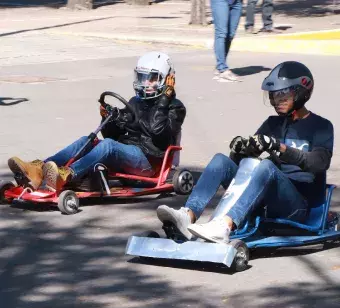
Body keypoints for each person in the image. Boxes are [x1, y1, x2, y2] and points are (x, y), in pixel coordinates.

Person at [157, 61, 334, 243]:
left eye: (283, 94)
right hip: (264, 198)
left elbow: (319, 163)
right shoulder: (272, 123)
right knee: (221, 161)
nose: (276, 101)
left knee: (266, 166)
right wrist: (240, 151)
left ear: (301, 92)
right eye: (273, 95)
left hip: (296, 207)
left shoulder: (321, 126)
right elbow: (244, 167)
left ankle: (225, 225)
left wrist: (279, 147)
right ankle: (188, 215)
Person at [7, 52, 186, 192]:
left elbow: (157, 131)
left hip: (148, 162)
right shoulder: (135, 102)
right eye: (142, 78)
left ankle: (66, 175)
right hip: (128, 154)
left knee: (108, 146)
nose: (145, 83)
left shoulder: (175, 108)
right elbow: (112, 135)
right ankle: (39, 169)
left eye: (152, 79)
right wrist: (108, 118)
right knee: (87, 140)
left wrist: (165, 99)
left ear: (166, 80)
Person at [211, 0, 243, 82]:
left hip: (237, 2)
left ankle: (219, 68)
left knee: (230, 35)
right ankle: (222, 69)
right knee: (221, 33)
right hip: (220, 2)